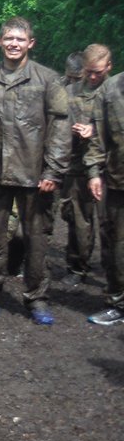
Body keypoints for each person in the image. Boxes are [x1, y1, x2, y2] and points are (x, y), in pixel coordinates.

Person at [0, 17, 70, 324]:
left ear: (30, 43)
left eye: (20, 39)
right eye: (8, 38)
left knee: (36, 239)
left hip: (35, 175)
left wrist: (53, 170)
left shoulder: (48, 80)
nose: (14, 44)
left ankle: (37, 298)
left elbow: (61, 127)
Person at [63, 44, 111, 285]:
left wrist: (96, 129)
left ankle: (110, 273)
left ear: (109, 67)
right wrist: (71, 130)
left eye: (98, 72)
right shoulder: (70, 92)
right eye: (89, 71)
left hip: (110, 168)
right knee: (78, 220)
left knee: (109, 224)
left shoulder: (116, 93)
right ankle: (76, 267)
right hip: (77, 165)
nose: (93, 77)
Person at [87, 66, 124, 324]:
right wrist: (93, 172)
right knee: (116, 244)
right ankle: (118, 303)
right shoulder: (110, 90)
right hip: (118, 180)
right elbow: (98, 138)